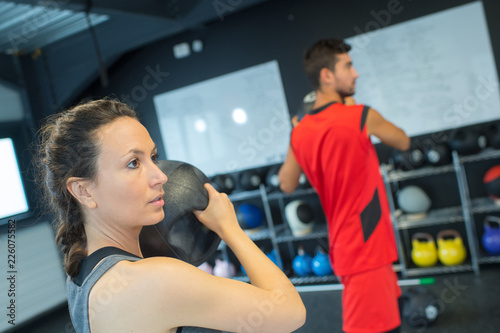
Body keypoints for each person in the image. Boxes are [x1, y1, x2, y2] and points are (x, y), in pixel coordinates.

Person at [35, 98, 306, 333]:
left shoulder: (81, 272)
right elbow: (291, 312)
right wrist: (230, 229)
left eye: (153, 156)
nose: (160, 175)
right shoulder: (157, 280)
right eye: (133, 163)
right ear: (83, 191)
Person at [278, 38, 410, 333]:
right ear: (327, 76)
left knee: (389, 320)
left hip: (347, 241)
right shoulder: (361, 116)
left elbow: (286, 183)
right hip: (367, 240)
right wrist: (352, 107)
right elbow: (403, 140)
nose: (355, 73)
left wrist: (295, 134)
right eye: (348, 66)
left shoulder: (300, 132)